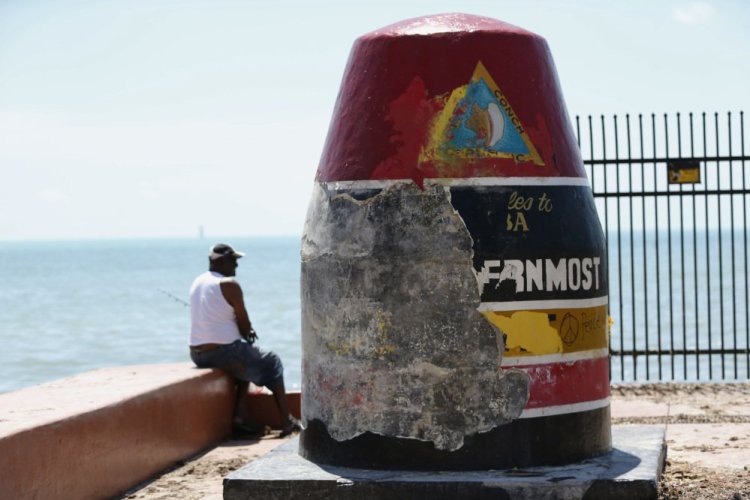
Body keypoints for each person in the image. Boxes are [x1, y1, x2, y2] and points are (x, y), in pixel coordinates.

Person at [189, 243, 301, 438]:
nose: (236, 266)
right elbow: (244, 326)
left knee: (243, 362)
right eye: (233, 261)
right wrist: (248, 331)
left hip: (197, 354)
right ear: (221, 261)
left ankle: (240, 416)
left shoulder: (198, 281)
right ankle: (287, 421)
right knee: (272, 361)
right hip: (223, 352)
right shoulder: (229, 284)